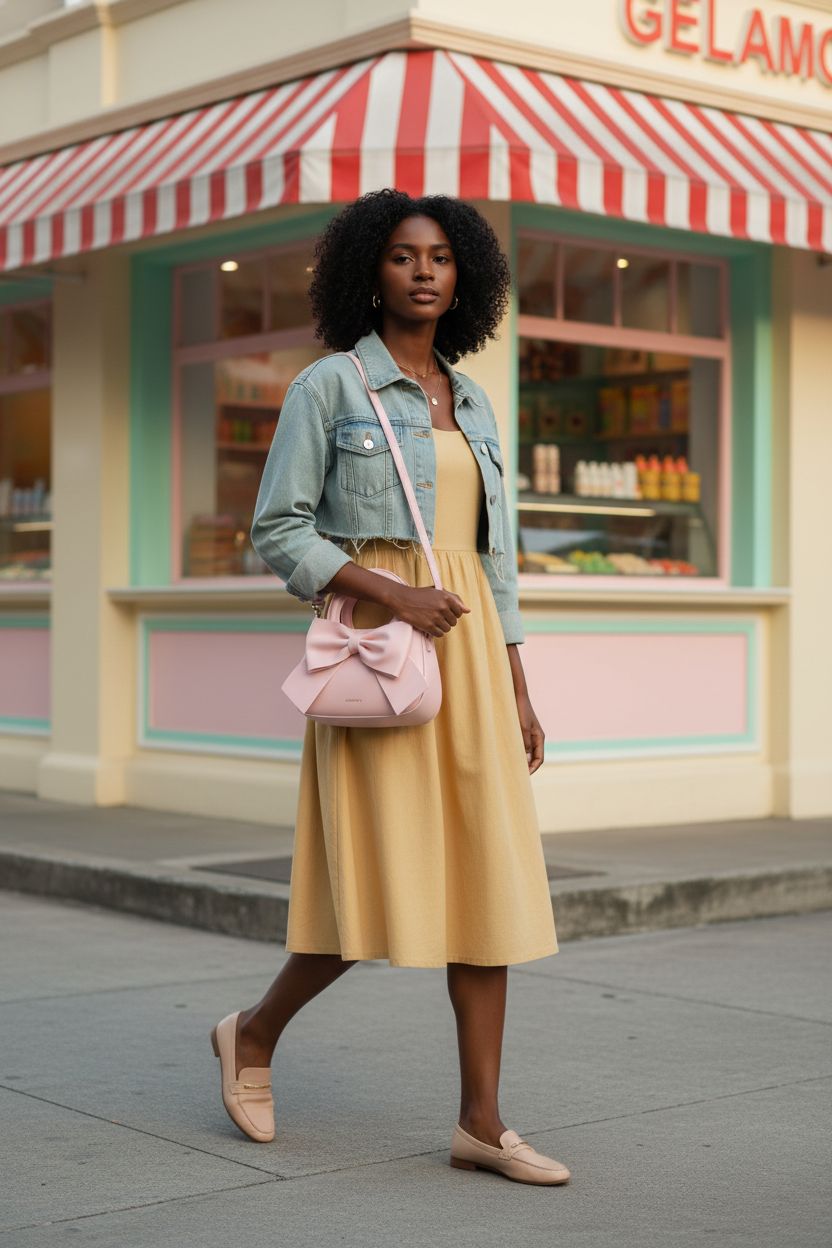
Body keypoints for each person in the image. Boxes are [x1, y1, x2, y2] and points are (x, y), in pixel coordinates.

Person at [209, 189, 569, 1186]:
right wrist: (393, 594)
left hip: (471, 660)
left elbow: (496, 567)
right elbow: (279, 532)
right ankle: (251, 1032)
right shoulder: (331, 386)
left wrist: (517, 684)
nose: (424, 271)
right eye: (405, 255)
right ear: (368, 270)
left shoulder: (477, 400)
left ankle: (482, 1123)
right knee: (373, 888)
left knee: (487, 885)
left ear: (467, 279)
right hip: (383, 657)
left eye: (443, 257)